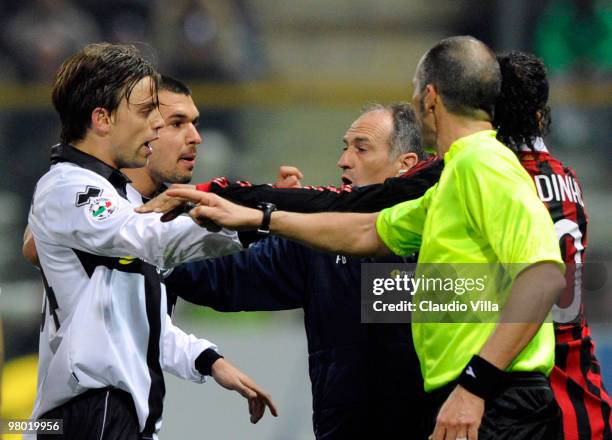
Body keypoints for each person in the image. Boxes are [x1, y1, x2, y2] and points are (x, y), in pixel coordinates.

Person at [141, 36, 567, 440]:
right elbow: (365, 231)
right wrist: (258, 218)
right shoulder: (455, 180)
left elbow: (546, 279)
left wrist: (474, 386)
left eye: (361, 148)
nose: (344, 160)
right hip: (452, 406)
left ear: (430, 98)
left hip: (488, 402)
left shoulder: (483, 165)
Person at [26, 44, 276, 440]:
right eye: (146, 113)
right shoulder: (71, 188)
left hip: (107, 411)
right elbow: (148, 240)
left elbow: (129, 318)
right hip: (95, 409)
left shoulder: (113, 197)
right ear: (102, 118)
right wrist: (258, 220)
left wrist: (208, 360)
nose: (155, 127)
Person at [164, 103, 434, 439]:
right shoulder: (315, 243)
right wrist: (154, 247)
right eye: (345, 148)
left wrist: (279, 220)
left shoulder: (442, 236)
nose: (344, 160)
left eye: (361, 149)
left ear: (404, 165)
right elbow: (226, 277)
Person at [494, 50, 611, 440]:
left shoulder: (485, 182)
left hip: (518, 396)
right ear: (541, 115)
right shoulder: (568, 178)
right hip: (583, 395)